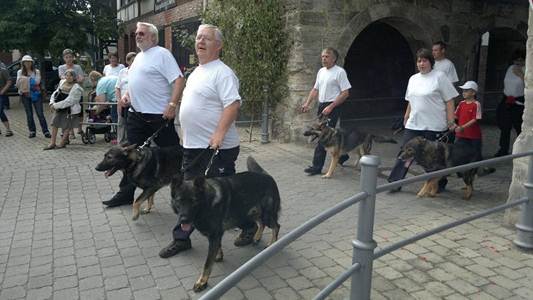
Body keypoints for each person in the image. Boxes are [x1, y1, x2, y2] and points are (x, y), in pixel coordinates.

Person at [159, 24, 254, 259]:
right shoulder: (196, 71)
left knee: (220, 199)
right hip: (194, 148)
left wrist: (220, 133)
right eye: (198, 37)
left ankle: (247, 226)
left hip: (216, 149)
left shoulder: (223, 72)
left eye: (207, 39)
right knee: (187, 196)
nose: (200, 41)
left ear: (218, 45)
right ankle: (182, 238)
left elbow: (233, 104)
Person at [105, 22, 184, 207]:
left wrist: (172, 105)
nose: (137, 36)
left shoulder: (162, 54)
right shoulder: (139, 57)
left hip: (159, 117)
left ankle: (183, 194)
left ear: (153, 37)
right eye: (136, 34)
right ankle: (125, 194)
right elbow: (135, 83)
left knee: (174, 156)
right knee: (128, 156)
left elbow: (179, 80)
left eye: (141, 33)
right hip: (136, 116)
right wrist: (126, 96)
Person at [387, 48, 458, 191]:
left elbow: (450, 100)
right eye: (419, 61)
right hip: (414, 124)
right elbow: (410, 100)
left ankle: (438, 184)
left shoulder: (440, 77)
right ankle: (395, 182)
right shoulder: (413, 79)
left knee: (434, 157)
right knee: (405, 152)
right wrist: (406, 116)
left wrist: (451, 120)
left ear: (431, 62)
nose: (421, 63)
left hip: (434, 125)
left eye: (424, 60)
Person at [300, 47, 351, 176]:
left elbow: (345, 93)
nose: (323, 59)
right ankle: (343, 156)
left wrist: (332, 106)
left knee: (323, 136)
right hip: (322, 105)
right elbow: (315, 89)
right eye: (322, 56)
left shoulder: (340, 72)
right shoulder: (321, 71)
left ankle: (317, 166)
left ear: (334, 58)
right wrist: (307, 103)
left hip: (333, 106)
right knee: (323, 134)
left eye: (327, 56)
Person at [495, 52, 525, 157]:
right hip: (507, 101)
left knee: (519, 127)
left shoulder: (526, 70)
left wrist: (521, 74)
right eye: (516, 60)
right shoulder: (510, 69)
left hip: (519, 103)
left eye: (521, 60)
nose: (518, 63)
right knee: (505, 127)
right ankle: (503, 149)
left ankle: (522, 149)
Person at [44, 69, 83, 150]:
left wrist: (55, 105)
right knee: (55, 124)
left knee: (67, 126)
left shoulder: (77, 88)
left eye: (71, 75)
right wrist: (51, 103)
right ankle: (52, 143)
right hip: (58, 108)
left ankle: (62, 143)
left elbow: (70, 101)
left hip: (69, 109)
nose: (68, 77)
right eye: (67, 75)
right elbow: (55, 93)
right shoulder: (62, 82)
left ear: (74, 77)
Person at [15, 55, 51, 138]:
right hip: (25, 95)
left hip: (36, 94)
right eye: (26, 62)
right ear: (23, 63)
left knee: (40, 114)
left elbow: (37, 81)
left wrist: (24, 80)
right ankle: (32, 131)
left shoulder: (36, 71)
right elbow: (17, 83)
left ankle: (46, 131)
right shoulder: (19, 72)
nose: (27, 63)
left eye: (29, 62)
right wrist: (29, 80)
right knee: (29, 114)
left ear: (32, 63)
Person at [58, 48, 85, 140]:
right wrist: (74, 79)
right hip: (67, 94)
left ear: (73, 58)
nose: (69, 59)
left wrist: (71, 79)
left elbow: (81, 79)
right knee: (69, 113)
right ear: (64, 58)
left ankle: (80, 129)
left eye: (70, 57)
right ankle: (71, 132)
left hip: (77, 93)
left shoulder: (77, 67)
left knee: (79, 112)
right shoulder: (61, 68)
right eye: (66, 57)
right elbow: (62, 78)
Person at [454, 81, 482, 160]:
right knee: (460, 153)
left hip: (473, 135)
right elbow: (455, 115)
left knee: (475, 154)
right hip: (461, 134)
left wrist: (462, 127)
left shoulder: (476, 104)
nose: (464, 92)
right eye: (463, 91)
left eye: (466, 91)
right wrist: (451, 123)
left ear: (473, 93)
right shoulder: (461, 103)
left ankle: (475, 170)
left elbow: (475, 119)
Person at [115, 52, 136, 144]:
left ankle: (130, 143)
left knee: (131, 124)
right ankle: (120, 142)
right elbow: (117, 87)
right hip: (123, 101)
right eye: (132, 60)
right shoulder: (122, 72)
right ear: (128, 61)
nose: (134, 62)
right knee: (121, 122)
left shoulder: (139, 72)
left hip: (134, 102)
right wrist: (119, 101)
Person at [0, 61, 13, 136]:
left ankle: (8, 130)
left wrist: (3, 91)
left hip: (1, 94)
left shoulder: (3, 70)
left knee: (0, 110)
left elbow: (9, 81)